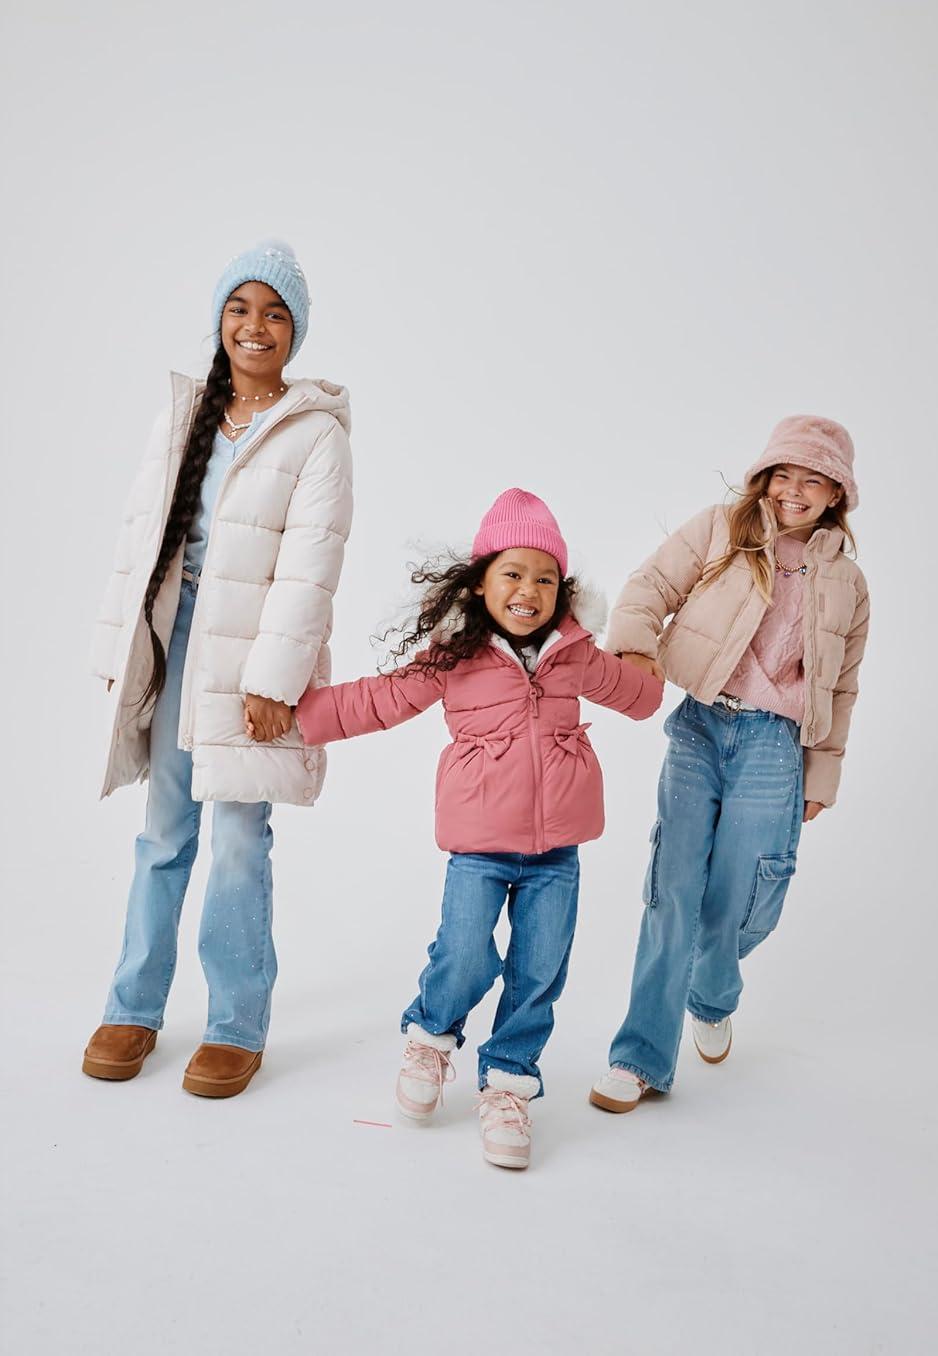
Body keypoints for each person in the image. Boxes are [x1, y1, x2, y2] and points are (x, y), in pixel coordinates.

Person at [296, 488, 663, 1167]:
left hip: (558, 850)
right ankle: (430, 1039)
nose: (529, 591)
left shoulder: (576, 653)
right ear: (481, 582)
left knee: (539, 970)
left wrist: (650, 659)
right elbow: (383, 698)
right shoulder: (455, 654)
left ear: (563, 591)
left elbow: (639, 699)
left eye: (546, 579)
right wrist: (296, 713)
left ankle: (508, 1084)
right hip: (479, 846)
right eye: (513, 574)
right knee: (464, 953)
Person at [83, 240, 353, 1098]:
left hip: (251, 654)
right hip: (175, 638)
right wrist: (118, 648)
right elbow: (138, 534)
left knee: (238, 839)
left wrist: (273, 681)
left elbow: (311, 567)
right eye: (239, 308)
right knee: (164, 832)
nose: (254, 325)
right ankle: (133, 1006)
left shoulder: (316, 434)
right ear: (219, 320)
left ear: (296, 330)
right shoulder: (185, 415)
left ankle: (236, 1023)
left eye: (275, 312)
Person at [589, 415, 869, 1113]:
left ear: (837, 492)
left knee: (748, 896)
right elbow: (650, 585)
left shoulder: (849, 582)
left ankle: (711, 992)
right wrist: (634, 649)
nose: (793, 491)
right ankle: (639, 1057)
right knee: (672, 890)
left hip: (777, 742)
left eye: (812, 480)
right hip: (701, 724)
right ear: (763, 477)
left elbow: (842, 686)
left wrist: (822, 773)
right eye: (782, 474)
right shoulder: (722, 528)